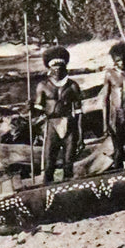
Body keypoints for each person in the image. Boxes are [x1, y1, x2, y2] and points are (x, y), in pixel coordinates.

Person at [31, 46, 83, 184]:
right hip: (51, 125)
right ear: (49, 68)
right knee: (49, 162)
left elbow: (79, 111)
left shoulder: (72, 86)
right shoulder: (43, 86)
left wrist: (80, 134)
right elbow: (38, 110)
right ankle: (48, 186)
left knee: (68, 161)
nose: (58, 70)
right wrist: (30, 107)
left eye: (61, 66)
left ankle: (68, 187)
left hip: (69, 124)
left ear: (65, 67)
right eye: (54, 67)